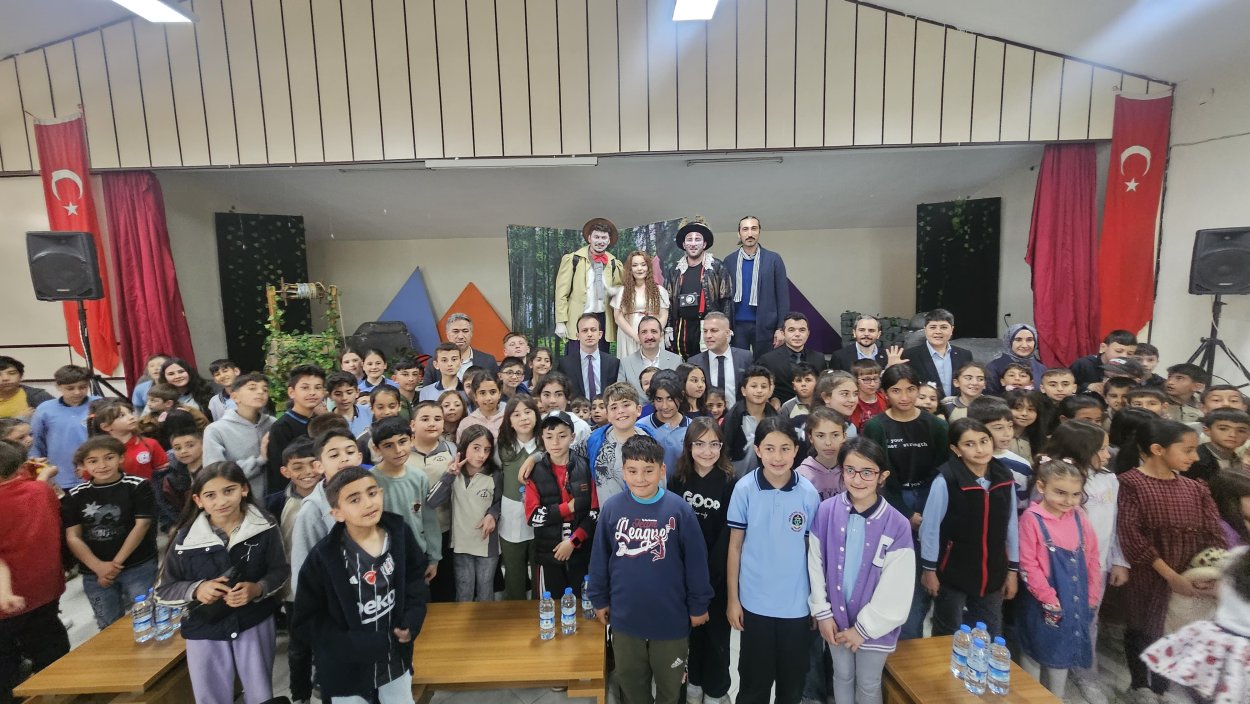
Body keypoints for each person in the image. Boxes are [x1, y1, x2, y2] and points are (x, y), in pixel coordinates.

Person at [588, 435, 713, 704]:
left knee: (670, 689)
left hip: (671, 619)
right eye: (632, 471)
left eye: (648, 470)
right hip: (625, 618)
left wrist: (699, 604)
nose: (640, 478)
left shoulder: (679, 510)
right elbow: (599, 559)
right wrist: (599, 598)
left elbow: (696, 563)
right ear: (623, 471)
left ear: (662, 470)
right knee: (632, 686)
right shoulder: (612, 509)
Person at [292, 466, 429, 704]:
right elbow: (307, 622)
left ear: (381, 494)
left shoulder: (399, 534)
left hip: (394, 661)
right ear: (336, 513)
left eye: (372, 493)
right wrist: (355, 645)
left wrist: (412, 619)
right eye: (354, 499)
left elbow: (415, 581)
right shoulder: (323, 559)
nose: (368, 503)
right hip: (346, 672)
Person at [155, 461, 287, 704]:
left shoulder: (265, 525)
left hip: (253, 621)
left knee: (260, 694)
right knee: (211, 696)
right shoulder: (184, 538)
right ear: (198, 500)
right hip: (204, 628)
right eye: (210, 495)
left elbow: (280, 571)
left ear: (244, 489)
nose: (221, 501)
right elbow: (163, 590)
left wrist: (258, 588)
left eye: (229, 490)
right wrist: (196, 589)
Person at [1118, 419, 1227, 701]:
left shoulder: (1196, 488)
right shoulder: (1130, 484)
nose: (1195, 457)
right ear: (1158, 449)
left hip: (1189, 578)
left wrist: (1207, 575)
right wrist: (1170, 576)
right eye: (1188, 450)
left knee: (1176, 632)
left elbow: (1214, 535)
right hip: (1147, 574)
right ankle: (1140, 685)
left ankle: (1163, 688)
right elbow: (1131, 536)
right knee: (1142, 628)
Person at [806, 436, 915, 704]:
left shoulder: (897, 524)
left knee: (868, 683)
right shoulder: (826, 511)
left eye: (867, 472)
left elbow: (897, 586)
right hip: (835, 619)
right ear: (841, 471)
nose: (857, 479)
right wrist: (822, 612)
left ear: (882, 476)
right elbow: (815, 563)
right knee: (841, 676)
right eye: (850, 470)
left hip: (876, 626)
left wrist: (863, 629)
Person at [726, 417, 820, 704]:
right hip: (754, 603)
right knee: (754, 683)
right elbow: (735, 548)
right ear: (757, 450)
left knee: (792, 685)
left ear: (796, 450)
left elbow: (813, 553)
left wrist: (817, 602)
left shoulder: (808, 493)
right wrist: (733, 600)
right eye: (769, 449)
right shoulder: (744, 488)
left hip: (796, 605)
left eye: (785, 448)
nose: (777, 457)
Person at [918, 418, 1019, 637]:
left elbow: (1011, 526)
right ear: (956, 450)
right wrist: (929, 570)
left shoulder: (1004, 477)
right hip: (953, 572)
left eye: (984, 441)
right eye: (969, 444)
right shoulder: (946, 480)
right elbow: (930, 529)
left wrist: (1012, 570)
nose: (980, 449)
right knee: (948, 631)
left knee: (989, 631)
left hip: (993, 571)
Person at [1015, 458, 1101, 699]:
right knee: (1034, 648)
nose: (1068, 501)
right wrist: (1049, 599)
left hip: (1075, 598)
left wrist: (1092, 595)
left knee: (1063, 650)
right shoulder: (1031, 519)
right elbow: (1028, 564)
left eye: (1075, 494)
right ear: (1041, 487)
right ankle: (1030, 697)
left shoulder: (1079, 517)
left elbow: (1092, 559)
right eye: (1060, 493)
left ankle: (1057, 697)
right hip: (1041, 599)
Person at [669, 418, 736, 704]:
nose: (707, 451)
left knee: (716, 637)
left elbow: (728, 535)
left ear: (722, 447)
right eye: (699, 444)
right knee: (691, 636)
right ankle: (694, 685)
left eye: (713, 444)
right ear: (688, 446)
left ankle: (716, 690)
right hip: (684, 575)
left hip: (716, 577)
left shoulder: (730, 482)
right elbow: (671, 527)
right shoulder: (678, 478)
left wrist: (708, 576)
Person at [62, 436, 158, 630]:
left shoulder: (137, 485)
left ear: (121, 458)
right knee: (107, 624)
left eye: (109, 457)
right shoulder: (75, 494)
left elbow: (142, 525)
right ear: (83, 465)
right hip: (94, 573)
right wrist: (98, 567)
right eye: (93, 461)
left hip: (137, 565)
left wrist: (115, 565)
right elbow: (73, 536)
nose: (102, 465)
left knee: (148, 617)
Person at [0, 441, 68, 704]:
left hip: (7, 599)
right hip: (45, 589)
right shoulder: (40, 491)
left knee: (6, 663)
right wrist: (43, 474)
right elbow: (35, 493)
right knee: (50, 647)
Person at [1142, 546, 1250, 704]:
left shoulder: (1237, 555)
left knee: (1207, 693)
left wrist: (1202, 589)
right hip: (1232, 646)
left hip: (1217, 641)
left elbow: (1223, 588)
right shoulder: (1237, 556)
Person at [264, 437, 319, 704]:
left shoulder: (334, 496)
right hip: (294, 588)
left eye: (312, 464)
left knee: (329, 641)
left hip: (329, 586)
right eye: (298, 467)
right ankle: (300, 696)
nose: (307, 472)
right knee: (299, 647)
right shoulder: (275, 504)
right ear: (285, 471)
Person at [371, 413, 447, 601]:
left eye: (402, 441)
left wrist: (434, 558)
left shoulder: (418, 477)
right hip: (382, 559)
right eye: (388, 445)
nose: (398, 450)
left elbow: (428, 519)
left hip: (416, 556)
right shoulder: (371, 481)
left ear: (412, 440)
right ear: (377, 449)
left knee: (417, 603)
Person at [525, 411, 599, 598]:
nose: (555, 442)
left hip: (581, 550)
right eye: (549, 436)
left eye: (562, 436)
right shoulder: (534, 471)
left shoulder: (585, 467)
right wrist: (568, 507)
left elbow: (594, 514)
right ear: (542, 438)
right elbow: (533, 517)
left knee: (582, 602)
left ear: (572, 437)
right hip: (548, 553)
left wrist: (573, 541)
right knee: (551, 603)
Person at [428, 424, 503, 602]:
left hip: (487, 544)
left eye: (486, 450)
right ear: (464, 446)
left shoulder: (495, 474)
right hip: (460, 544)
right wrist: (449, 476)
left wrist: (492, 514)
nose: (482, 455)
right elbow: (432, 501)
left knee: (485, 591)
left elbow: (501, 502)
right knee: (464, 592)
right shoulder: (454, 472)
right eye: (476, 448)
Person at [554, 218, 625, 356]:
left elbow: (619, 290)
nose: (600, 241)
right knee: (575, 360)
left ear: (609, 241)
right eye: (596, 237)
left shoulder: (614, 263)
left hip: (602, 320)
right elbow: (561, 293)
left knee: (600, 359)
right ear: (589, 238)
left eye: (604, 238)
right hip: (578, 318)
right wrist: (560, 322)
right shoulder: (573, 259)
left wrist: (615, 291)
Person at [723, 216, 789, 359]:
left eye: (754, 229)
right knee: (739, 367)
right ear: (739, 233)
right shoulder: (729, 261)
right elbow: (723, 297)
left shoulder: (773, 259)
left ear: (759, 231)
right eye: (745, 229)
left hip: (766, 326)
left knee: (765, 366)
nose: (750, 233)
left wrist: (781, 328)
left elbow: (783, 296)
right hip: (736, 327)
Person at [666, 221, 733, 359]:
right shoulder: (675, 270)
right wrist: (668, 327)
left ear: (704, 244)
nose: (693, 243)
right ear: (684, 244)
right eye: (689, 239)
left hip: (707, 327)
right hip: (682, 328)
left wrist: (726, 328)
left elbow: (726, 300)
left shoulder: (717, 267)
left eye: (697, 239)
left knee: (707, 364)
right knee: (683, 366)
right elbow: (669, 302)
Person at [203, 373, 275, 498]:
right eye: (252, 388)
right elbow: (214, 472)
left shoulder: (273, 423)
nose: (260, 392)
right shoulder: (216, 430)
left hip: (277, 496)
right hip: (241, 499)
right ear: (235, 397)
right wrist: (260, 460)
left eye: (265, 389)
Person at [497, 396, 540, 600]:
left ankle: (542, 608)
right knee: (514, 568)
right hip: (511, 514)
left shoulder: (545, 444)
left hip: (541, 514)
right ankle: (516, 611)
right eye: (516, 414)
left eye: (528, 412)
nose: (523, 418)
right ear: (509, 421)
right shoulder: (502, 447)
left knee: (540, 567)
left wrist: (535, 457)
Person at [31, 364, 97, 492]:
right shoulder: (45, 409)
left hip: (97, 473)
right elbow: (36, 441)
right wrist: (36, 463)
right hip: (60, 475)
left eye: (83, 387)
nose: (77, 392)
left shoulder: (99, 404)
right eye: (70, 388)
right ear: (58, 386)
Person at [265, 364, 327, 494]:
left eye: (318, 387)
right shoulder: (282, 427)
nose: (312, 392)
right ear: (291, 392)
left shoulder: (319, 423)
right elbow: (278, 470)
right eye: (305, 387)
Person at [900, 309, 973, 399]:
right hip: (926, 405)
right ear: (925, 329)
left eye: (944, 327)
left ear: (952, 330)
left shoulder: (965, 355)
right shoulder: (909, 355)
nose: (938, 331)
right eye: (933, 327)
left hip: (958, 405)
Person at [612, 251, 671, 360]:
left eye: (643, 265)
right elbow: (618, 317)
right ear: (630, 269)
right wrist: (636, 336)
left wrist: (654, 333)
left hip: (652, 337)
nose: (639, 269)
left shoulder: (659, 291)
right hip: (629, 336)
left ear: (648, 267)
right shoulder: (622, 291)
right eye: (635, 265)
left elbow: (664, 315)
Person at [756, 313, 826, 405]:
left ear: (808, 333)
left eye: (802, 330)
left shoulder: (819, 358)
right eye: (791, 330)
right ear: (783, 333)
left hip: (813, 409)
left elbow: (823, 387)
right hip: (781, 410)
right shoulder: (768, 360)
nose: (797, 334)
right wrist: (773, 399)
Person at [688, 312, 753, 408]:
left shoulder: (745, 357)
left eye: (714, 331)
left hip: (739, 415)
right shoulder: (694, 362)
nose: (708, 335)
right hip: (706, 415)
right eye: (705, 331)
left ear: (727, 333)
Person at [724, 366, 779, 478]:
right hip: (736, 478)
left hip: (767, 477)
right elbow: (725, 449)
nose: (759, 390)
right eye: (754, 386)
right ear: (744, 391)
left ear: (770, 391)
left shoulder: (775, 417)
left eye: (764, 386)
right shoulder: (734, 416)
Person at [94, 402, 168, 481]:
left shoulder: (150, 443)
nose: (131, 417)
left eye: (130, 413)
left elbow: (164, 472)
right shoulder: (98, 451)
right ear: (106, 427)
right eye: (122, 415)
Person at [557, 314, 622, 401]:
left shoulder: (613, 363)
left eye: (593, 330)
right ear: (577, 336)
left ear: (600, 334)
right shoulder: (565, 364)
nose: (589, 334)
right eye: (585, 330)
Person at [639, 372, 689, 476]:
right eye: (659, 399)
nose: (665, 406)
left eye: (670, 399)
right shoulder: (640, 428)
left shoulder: (693, 428)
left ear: (681, 396)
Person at [617, 316, 682, 397]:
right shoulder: (625, 364)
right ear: (638, 336)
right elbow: (621, 396)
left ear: (661, 335)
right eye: (644, 332)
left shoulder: (676, 360)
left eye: (654, 331)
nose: (649, 337)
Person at [423, 314, 499, 381]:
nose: (460, 336)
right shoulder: (432, 364)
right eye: (455, 331)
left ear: (471, 334)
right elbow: (427, 392)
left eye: (465, 331)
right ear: (447, 334)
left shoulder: (488, 361)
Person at [799, 407, 847, 501]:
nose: (828, 443)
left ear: (844, 436)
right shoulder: (801, 475)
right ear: (811, 438)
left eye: (835, 435)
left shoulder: (852, 471)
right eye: (820, 436)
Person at [1189, 409, 1250, 483]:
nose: (1233, 435)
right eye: (1223, 429)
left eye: (1241, 431)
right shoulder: (1195, 460)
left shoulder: (1238, 460)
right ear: (1207, 431)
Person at [984, 324, 1046, 395]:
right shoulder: (994, 367)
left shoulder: (1041, 368)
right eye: (1018, 340)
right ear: (1009, 341)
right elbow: (989, 397)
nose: (1024, 345)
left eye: (1029, 340)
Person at [1070, 329, 1137, 392]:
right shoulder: (1084, 364)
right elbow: (1067, 387)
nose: (1124, 356)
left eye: (1130, 354)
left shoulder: (1131, 369)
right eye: (1118, 351)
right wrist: (1087, 386)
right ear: (1103, 347)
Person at [457, 371, 505, 438]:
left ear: (499, 393)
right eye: (482, 393)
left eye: (493, 392)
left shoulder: (509, 418)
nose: (488, 398)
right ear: (475, 396)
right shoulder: (466, 423)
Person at [327, 371, 372, 435]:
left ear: (357, 392)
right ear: (330, 396)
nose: (344, 398)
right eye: (338, 394)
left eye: (349, 393)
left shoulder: (369, 412)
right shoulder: (327, 422)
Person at [848, 360, 887, 431]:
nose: (872, 384)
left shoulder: (885, 399)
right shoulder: (851, 402)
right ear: (856, 380)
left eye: (875, 378)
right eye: (866, 379)